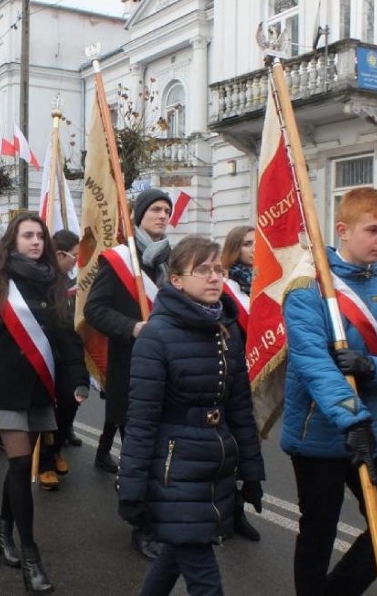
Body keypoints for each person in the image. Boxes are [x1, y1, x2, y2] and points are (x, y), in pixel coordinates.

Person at [281, 187, 377, 596]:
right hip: (319, 430)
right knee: (319, 530)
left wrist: (372, 367)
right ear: (343, 230)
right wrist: (350, 418)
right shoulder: (308, 285)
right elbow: (311, 362)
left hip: (371, 430)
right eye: (373, 229)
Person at [118, 235, 265, 596]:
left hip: (216, 464)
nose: (214, 277)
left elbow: (240, 410)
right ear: (177, 280)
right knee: (204, 578)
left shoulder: (226, 331)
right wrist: (132, 487)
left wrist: (251, 471)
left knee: (175, 554)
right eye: (202, 270)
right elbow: (141, 421)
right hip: (174, 470)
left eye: (218, 269)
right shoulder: (156, 336)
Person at [0, 213, 89, 593]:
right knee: (20, 465)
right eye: (28, 236)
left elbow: (65, 336)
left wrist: (79, 378)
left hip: (40, 387)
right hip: (3, 388)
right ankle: (31, 556)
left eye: (40, 236)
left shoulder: (54, 281)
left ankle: (3, 530)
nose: (36, 242)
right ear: (13, 242)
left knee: (19, 469)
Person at [84, 187, 172, 561]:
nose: (162, 215)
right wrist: (132, 327)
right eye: (155, 209)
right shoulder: (119, 261)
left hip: (168, 371)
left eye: (167, 210)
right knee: (140, 455)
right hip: (132, 369)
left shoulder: (171, 259)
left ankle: (163, 518)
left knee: (164, 453)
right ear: (138, 215)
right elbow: (95, 310)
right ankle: (142, 527)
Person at [220, 225, 261, 543]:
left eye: (257, 243)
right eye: (247, 244)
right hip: (230, 372)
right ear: (235, 248)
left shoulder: (265, 283)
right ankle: (228, 510)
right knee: (229, 446)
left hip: (255, 373)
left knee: (249, 444)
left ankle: (239, 509)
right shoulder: (224, 286)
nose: (253, 248)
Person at [37, 229, 86, 491]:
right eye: (73, 256)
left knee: (70, 402)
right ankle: (44, 462)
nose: (76, 261)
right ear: (59, 254)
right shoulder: (40, 281)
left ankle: (57, 446)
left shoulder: (70, 283)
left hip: (66, 351)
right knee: (47, 409)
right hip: (43, 352)